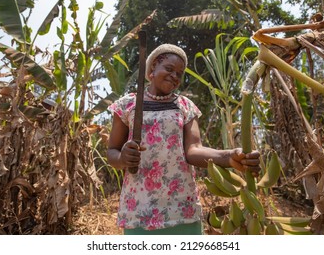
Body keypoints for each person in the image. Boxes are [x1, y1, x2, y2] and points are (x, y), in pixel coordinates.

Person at [107, 44, 260, 235]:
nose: (175, 76)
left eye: (180, 74)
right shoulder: (128, 104)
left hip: (181, 204)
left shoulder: (185, 106)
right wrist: (122, 158)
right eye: (169, 69)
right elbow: (112, 151)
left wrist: (229, 156)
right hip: (140, 206)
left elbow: (194, 150)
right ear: (153, 67)